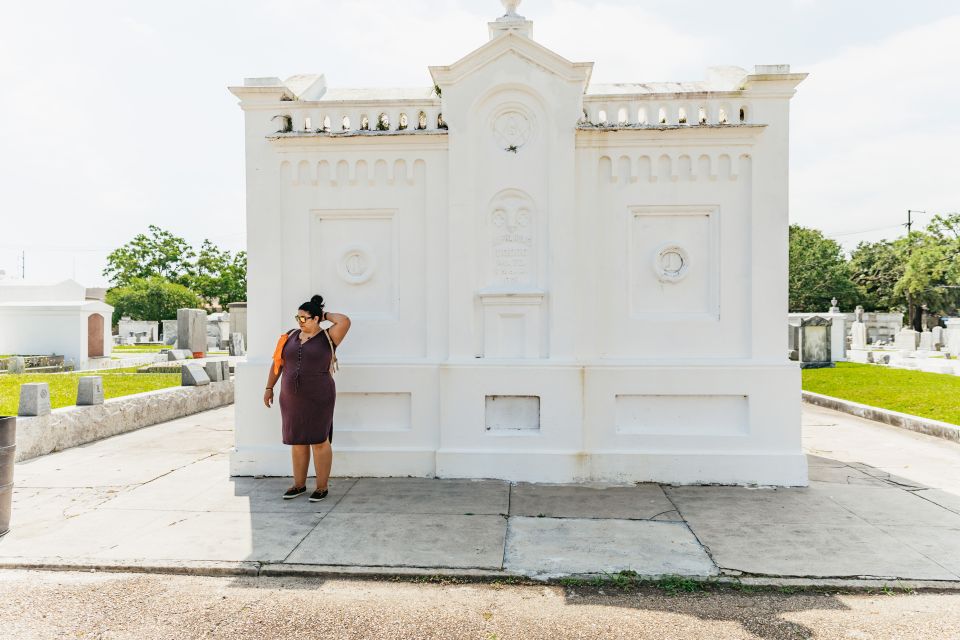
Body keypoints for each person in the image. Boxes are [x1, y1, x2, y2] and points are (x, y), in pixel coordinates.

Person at [263, 295, 350, 501]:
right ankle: (299, 485)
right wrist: (269, 388)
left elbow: (344, 320)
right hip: (290, 397)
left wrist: (324, 313)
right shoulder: (289, 336)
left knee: (319, 440)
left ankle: (321, 487)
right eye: (298, 317)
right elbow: (278, 364)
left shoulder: (330, 336)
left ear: (316, 319)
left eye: (304, 318)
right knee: (298, 441)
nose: (299, 322)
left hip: (320, 396)